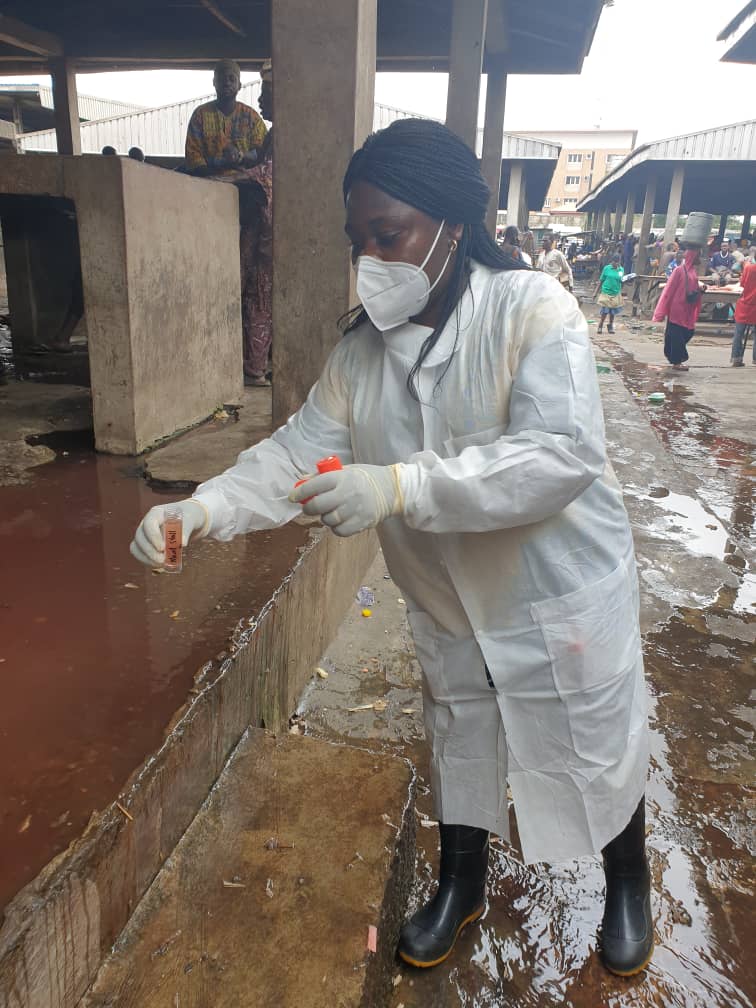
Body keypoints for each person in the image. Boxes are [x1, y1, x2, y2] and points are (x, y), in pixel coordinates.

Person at [130, 118, 652, 978]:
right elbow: (298, 452)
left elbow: (559, 454)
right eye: (358, 241)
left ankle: (625, 880)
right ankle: (462, 880)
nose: (370, 259)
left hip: (553, 587)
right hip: (449, 597)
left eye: (388, 235)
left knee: (593, 731)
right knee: (460, 730)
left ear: (452, 223)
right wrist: (204, 507)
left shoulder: (533, 311)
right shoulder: (359, 356)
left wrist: (400, 485)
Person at [185, 59, 270, 385]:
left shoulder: (252, 119)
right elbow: (192, 163)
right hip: (210, 208)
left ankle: (249, 360)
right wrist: (220, 164)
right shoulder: (201, 117)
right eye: (222, 77)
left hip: (249, 210)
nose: (228, 82)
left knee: (251, 288)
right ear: (215, 82)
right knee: (218, 280)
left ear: (239, 83)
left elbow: (265, 159)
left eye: (233, 77)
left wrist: (244, 159)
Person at [652, 248, 703, 370]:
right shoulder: (678, 270)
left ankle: (674, 357)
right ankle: (676, 362)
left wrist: (700, 291)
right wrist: (660, 311)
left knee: (687, 332)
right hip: (677, 308)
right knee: (677, 335)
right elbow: (668, 290)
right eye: (697, 255)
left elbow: (693, 288)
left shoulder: (693, 272)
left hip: (688, 308)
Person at [730, 256, 756, 366]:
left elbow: (742, 284)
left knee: (738, 333)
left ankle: (736, 358)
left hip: (745, 304)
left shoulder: (749, 268)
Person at [594, 253, 624, 334]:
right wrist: (595, 292)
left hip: (615, 292)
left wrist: (625, 280)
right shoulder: (607, 268)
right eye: (615, 262)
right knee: (605, 311)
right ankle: (600, 325)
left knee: (612, 311)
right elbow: (601, 280)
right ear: (612, 262)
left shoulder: (621, 270)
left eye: (618, 262)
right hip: (606, 291)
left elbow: (621, 280)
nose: (616, 264)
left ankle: (610, 326)